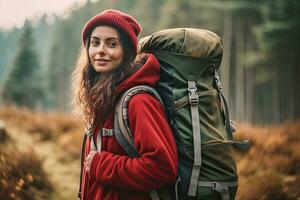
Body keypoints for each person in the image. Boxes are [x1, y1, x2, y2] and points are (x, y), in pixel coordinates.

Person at [72, 9, 178, 200]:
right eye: (95, 43)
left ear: (127, 52)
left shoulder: (139, 101)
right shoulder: (104, 97)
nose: (101, 50)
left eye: (112, 44)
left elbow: (162, 167)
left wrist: (100, 165)